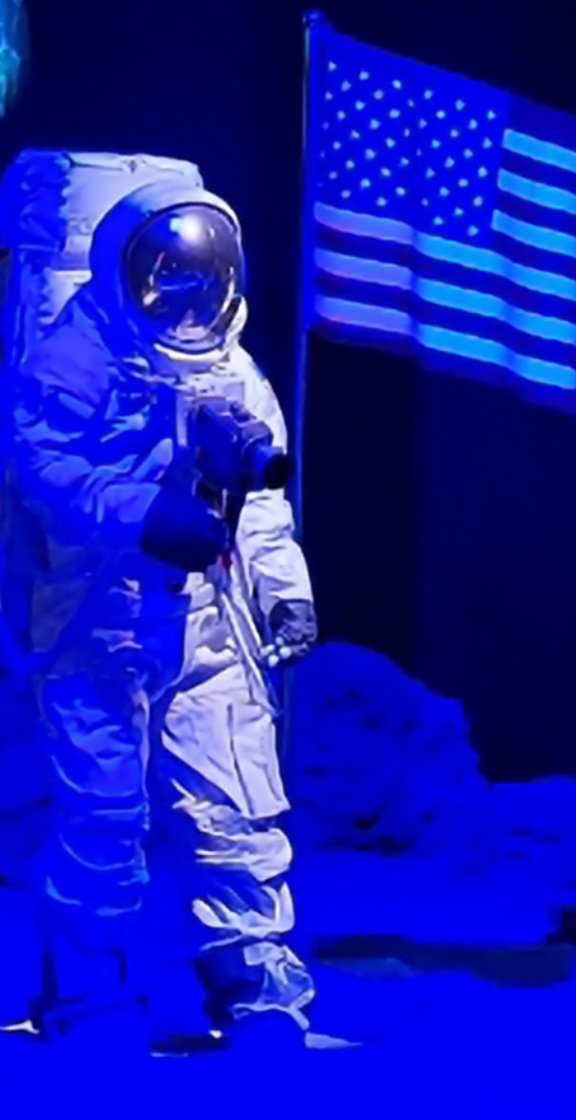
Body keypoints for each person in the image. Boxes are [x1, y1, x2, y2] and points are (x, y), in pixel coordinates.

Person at [2, 152, 317, 1051]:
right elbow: (39, 467)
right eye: (169, 274)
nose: (186, 295)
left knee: (235, 804)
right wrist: (142, 512)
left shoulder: (234, 371)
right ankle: (90, 996)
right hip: (94, 621)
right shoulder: (74, 356)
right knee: (103, 819)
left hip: (207, 622)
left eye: (203, 277)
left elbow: (262, 510)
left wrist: (284, 591)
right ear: (127, 267)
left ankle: (257, 987)